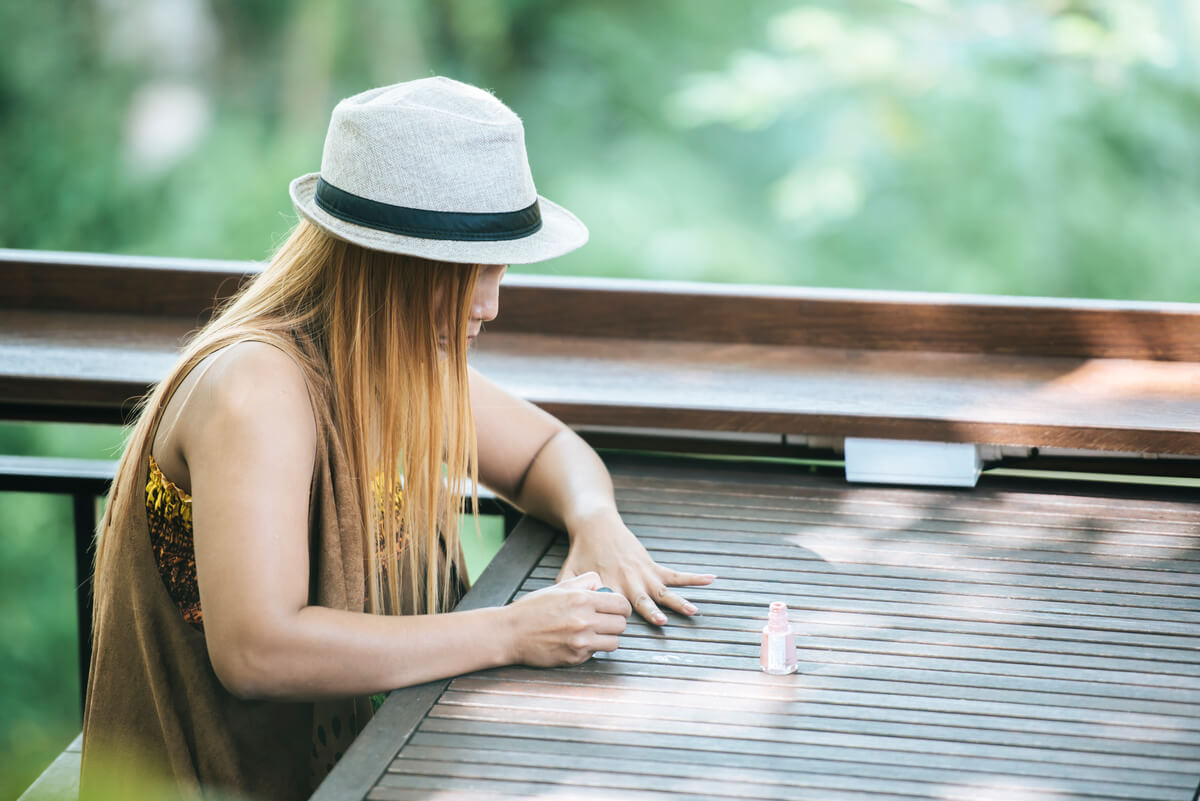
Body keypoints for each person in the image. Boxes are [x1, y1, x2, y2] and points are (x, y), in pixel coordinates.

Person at [79, 77, 715, 801]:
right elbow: (258, 650)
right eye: (473, 271)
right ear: (396, 262)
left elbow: (549, 452)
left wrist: (594, 521)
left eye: (499, 268)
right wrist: (511, 632)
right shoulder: (257, 387)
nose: (490, 303)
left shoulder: (388, 363)